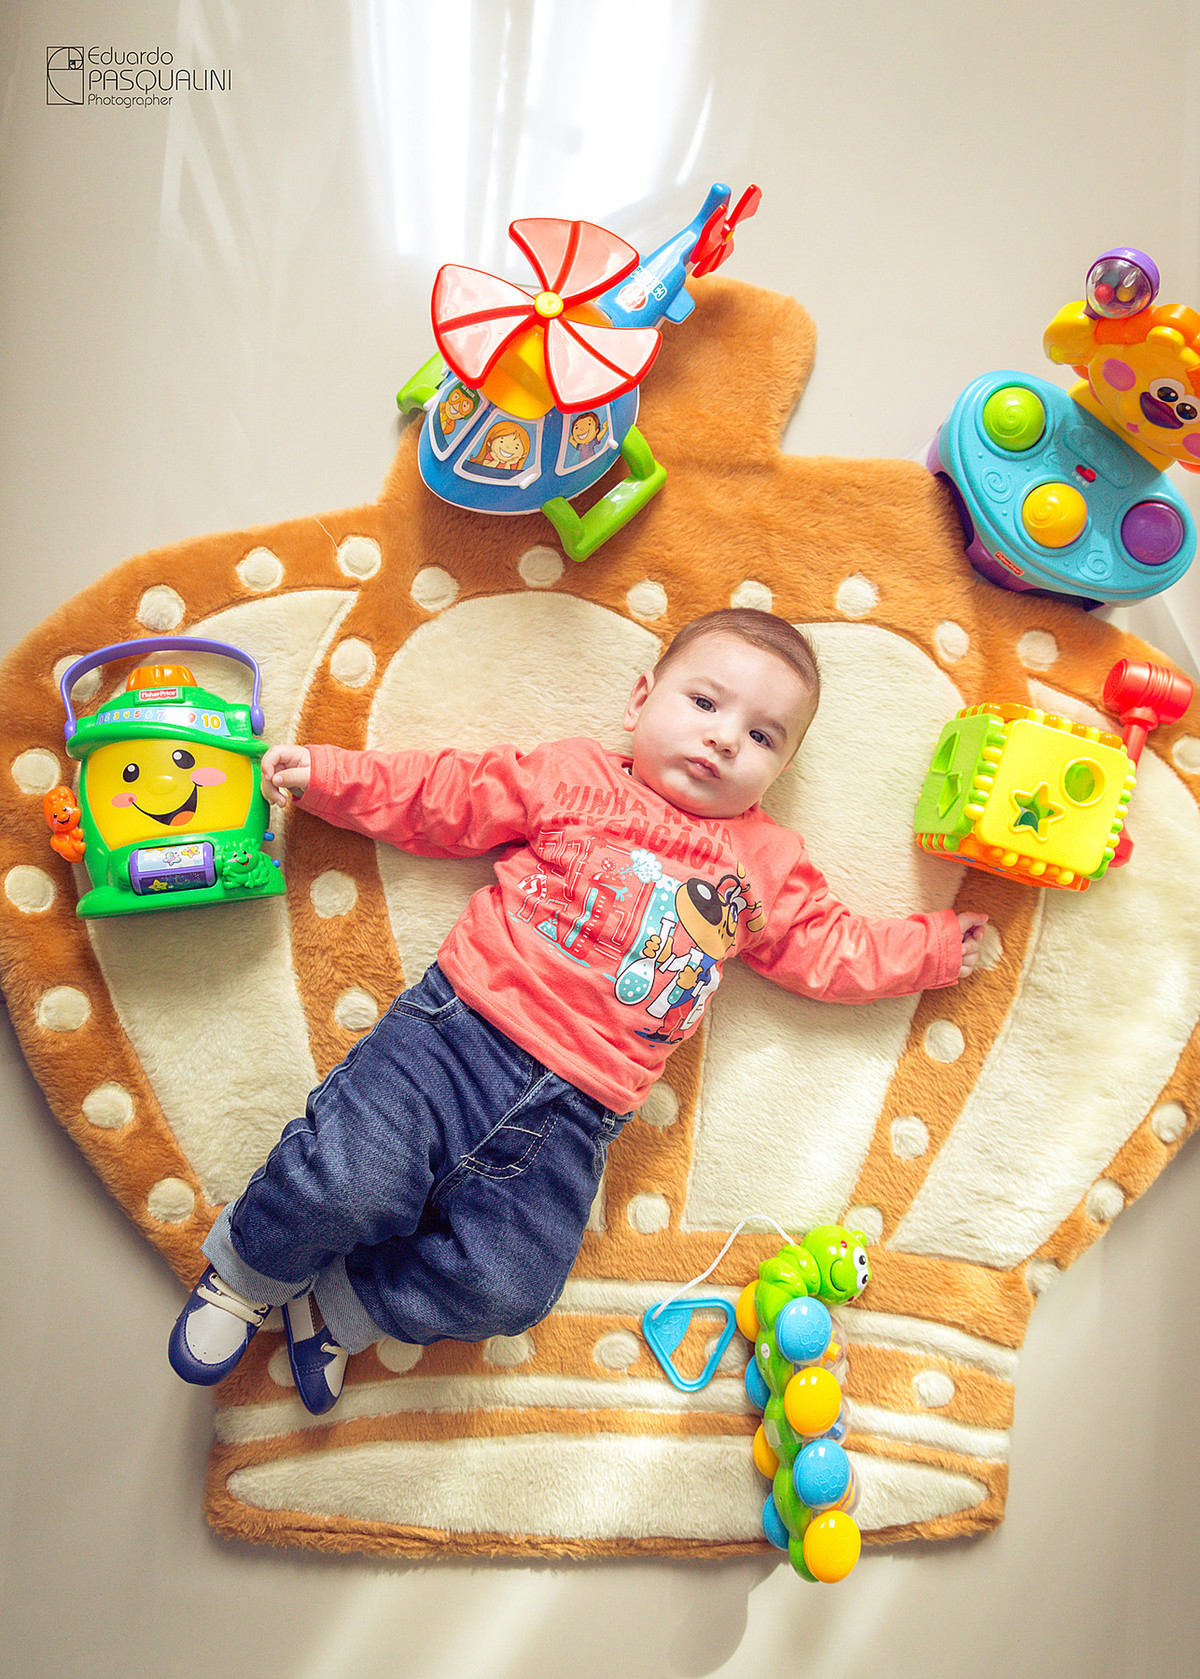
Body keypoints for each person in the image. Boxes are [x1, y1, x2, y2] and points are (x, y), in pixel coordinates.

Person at [168, 609, 987, 1414]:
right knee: (346, 1179)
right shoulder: (572, 776)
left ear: (779, 771)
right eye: (705, 703)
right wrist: (332, 778)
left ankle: (343, 1307)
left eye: (764, 736)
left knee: (508, 1287)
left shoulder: (764, 864)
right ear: (639, 703)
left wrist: (935, 949)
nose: (726, 737)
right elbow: (446, 794)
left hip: (578, 1113)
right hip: (457, 1036)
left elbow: (828, 947)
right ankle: (247, 1272)